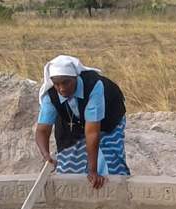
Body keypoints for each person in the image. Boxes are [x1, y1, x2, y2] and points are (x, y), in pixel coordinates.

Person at [35, 55, 130, 189]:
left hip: (108, 118)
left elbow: (92, 133)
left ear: (75, 78)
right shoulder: (51, 95)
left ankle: (118, 194)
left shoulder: (94, 86)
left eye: (66, 82)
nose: (61, 88)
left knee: (110, 162)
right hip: (71, 121)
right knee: (69, 166)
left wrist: (93, 171)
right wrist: (45, 154)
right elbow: (42, 129)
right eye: (57, 84)